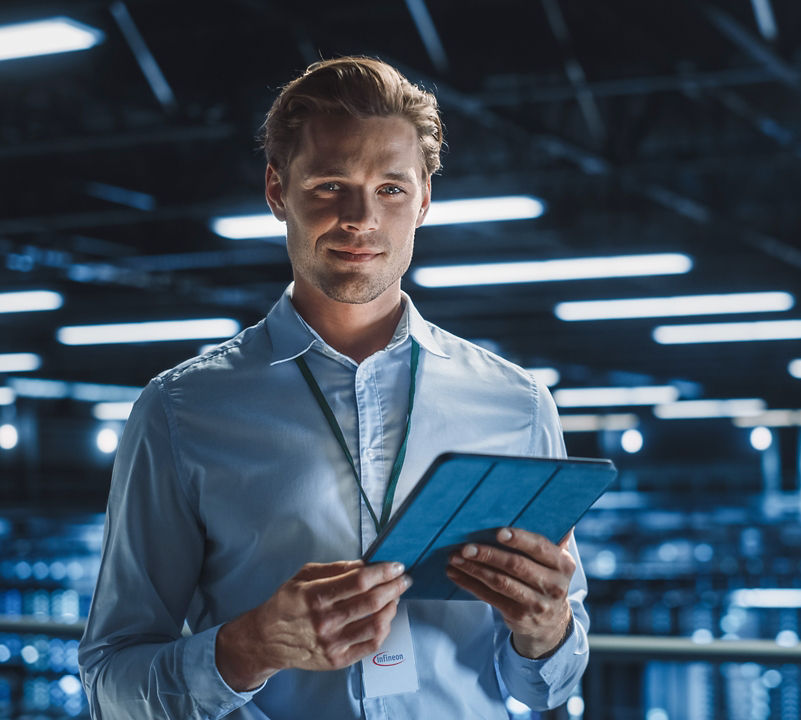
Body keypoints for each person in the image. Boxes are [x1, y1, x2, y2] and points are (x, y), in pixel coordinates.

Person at [78, 56, 590, 718]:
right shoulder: (179, 412)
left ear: (424, 200)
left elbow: (547, 686)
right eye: (329, 186)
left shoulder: (517, 405)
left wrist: (547, 633)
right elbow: (110, 683)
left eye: (391, 189)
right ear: (276, 190)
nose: (360, 218)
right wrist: (247, 649)